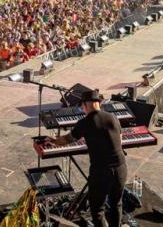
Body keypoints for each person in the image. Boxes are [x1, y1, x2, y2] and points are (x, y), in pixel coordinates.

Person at [46, 89, 126, 227]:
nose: (82, 109)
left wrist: (52, 141)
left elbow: (67, 139)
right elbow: (120, 138)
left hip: (101, 172)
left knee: (97, 210)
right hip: (121, 168)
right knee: (116, 204)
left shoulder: (85, 122)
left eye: (82, 106)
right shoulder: (112, 117)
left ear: (86, 105)